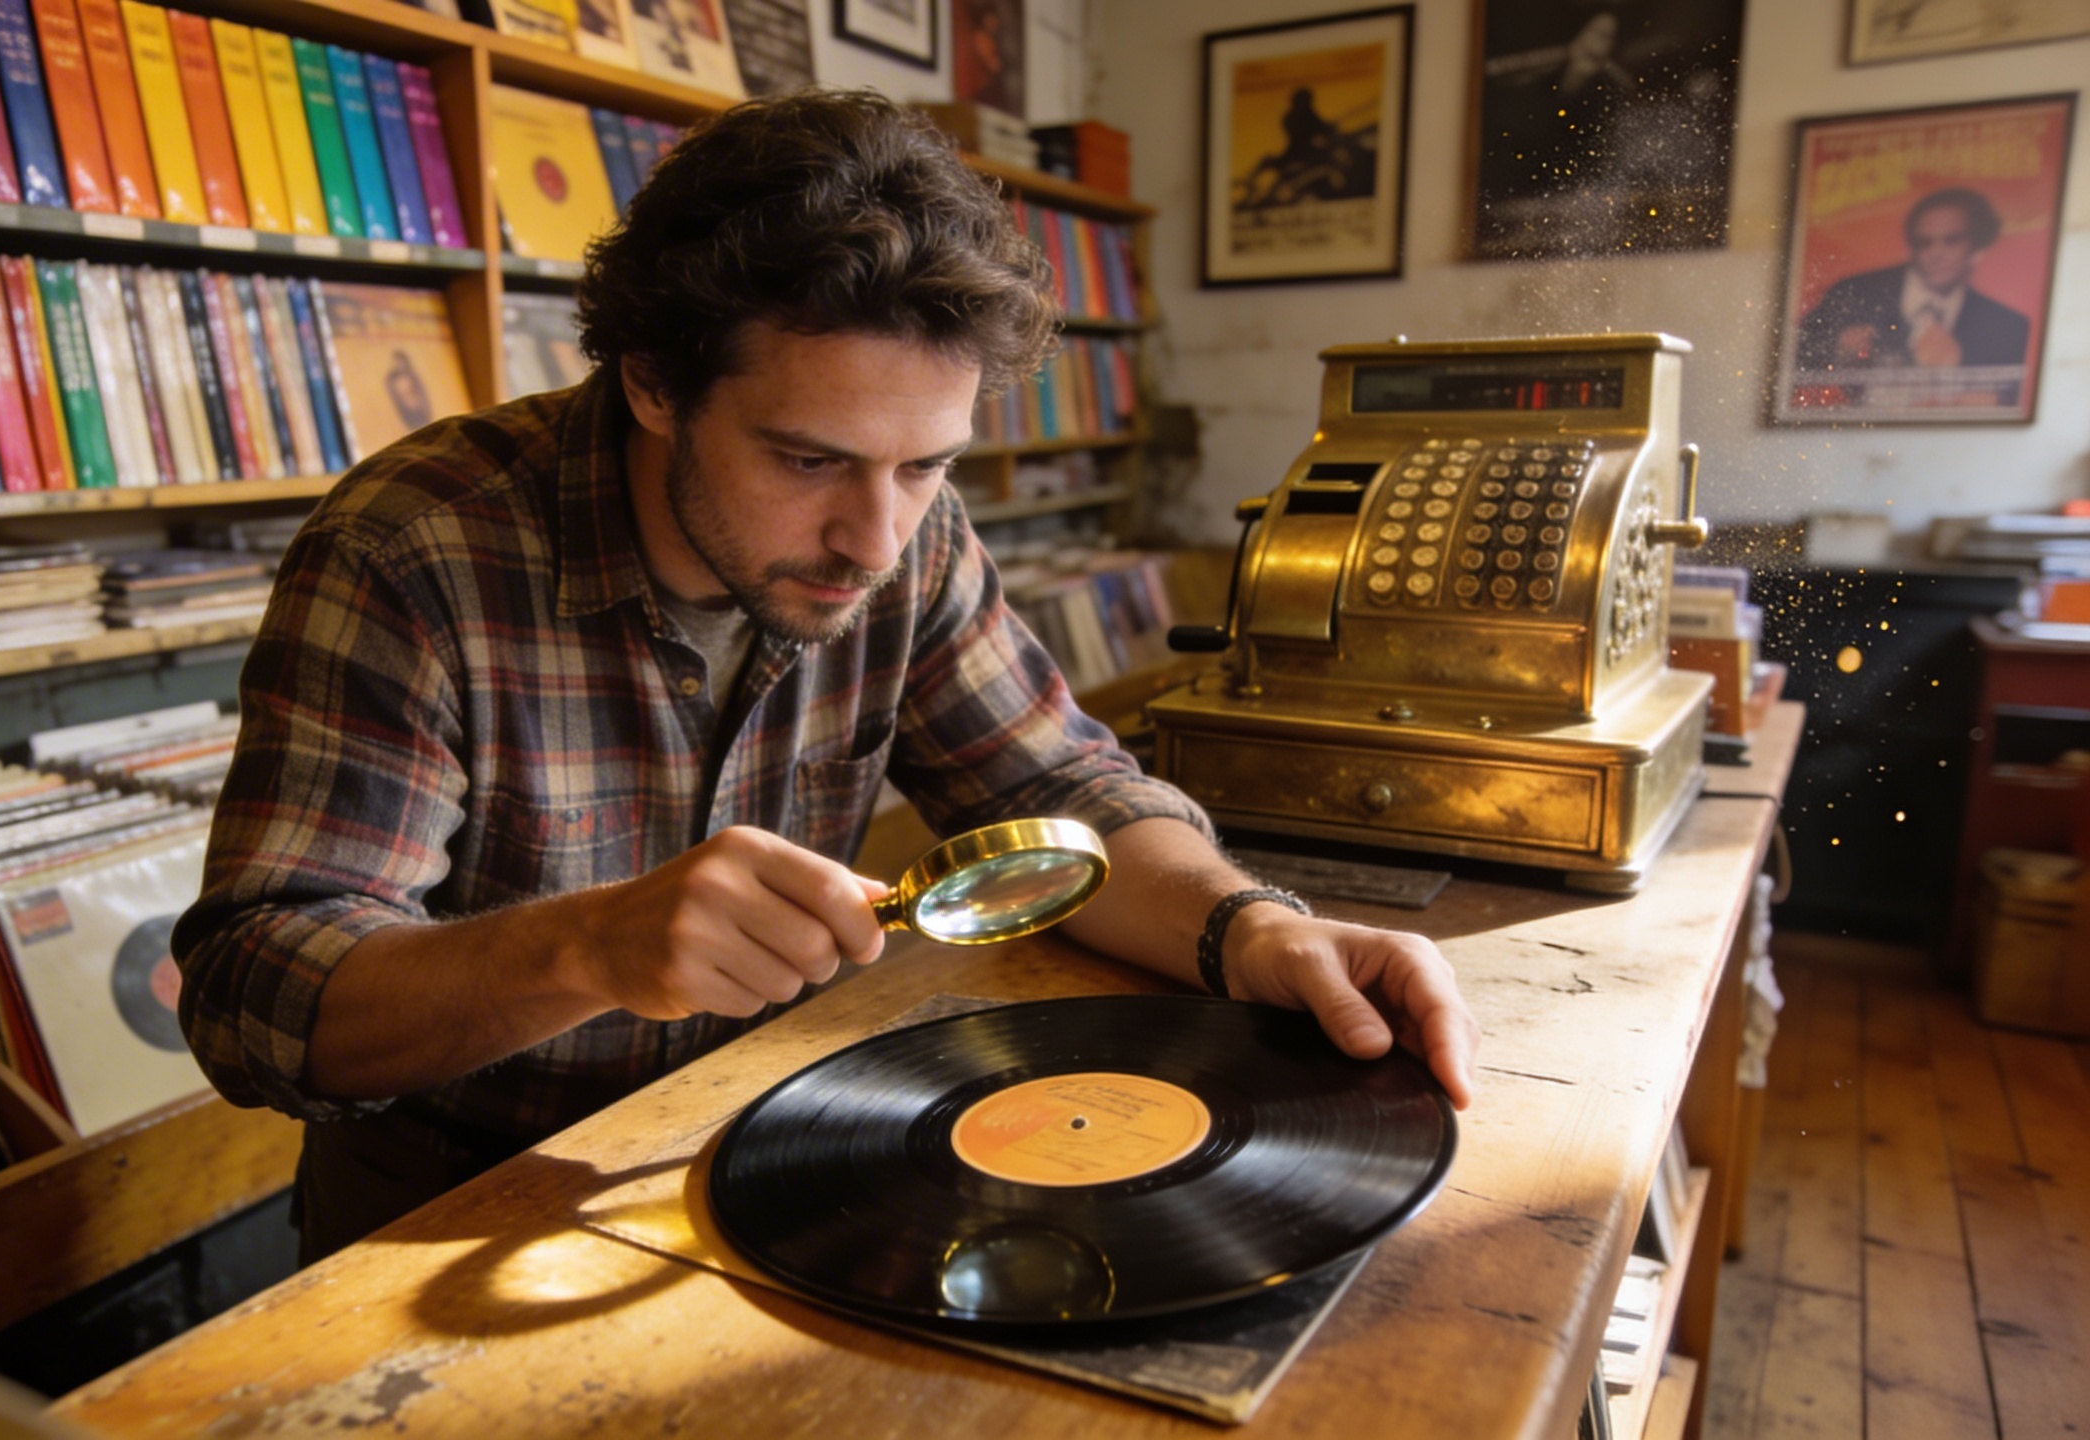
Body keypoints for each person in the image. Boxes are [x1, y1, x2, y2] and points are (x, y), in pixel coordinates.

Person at [173, 89, 1479, 1264]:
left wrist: (1250, 929)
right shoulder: (412, 554)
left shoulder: (901, 532)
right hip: (443, 1219)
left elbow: (1060, 790)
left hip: (771, 1158)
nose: (877, 539)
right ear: (651, 383)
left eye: (927, 465)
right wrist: (586, 946)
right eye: (809, 461)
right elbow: (255, 999)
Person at [1795, 187, 2032, 375]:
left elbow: (2008, 397)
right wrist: (1838, 348)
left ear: (1976, 245)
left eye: (1951, 240)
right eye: (1923, 242)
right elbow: (1789, 361)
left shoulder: (2007, 325)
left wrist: (1962, 368)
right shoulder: (1853, 291)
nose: (1935, 253)